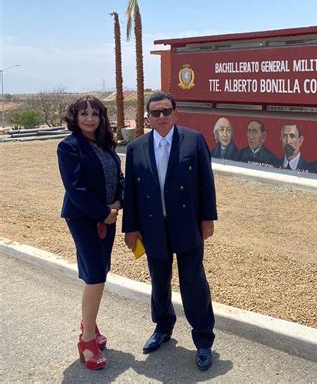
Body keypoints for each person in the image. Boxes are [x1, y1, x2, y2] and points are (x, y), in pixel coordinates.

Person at [122, 91, 217, 371]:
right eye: (155, 112)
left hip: (187, 224)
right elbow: (132, 192)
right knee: (159, 281)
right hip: (153, 226)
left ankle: (203, 341)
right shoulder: (136, 147)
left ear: (176, 113)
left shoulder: (194, 139)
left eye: (166, 111)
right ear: (148, 117)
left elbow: (205, 182)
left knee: (193, 283)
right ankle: (163, 328)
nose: (161, 117)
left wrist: (207, 218)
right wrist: (131, 227)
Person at [57, 95, 123, 371]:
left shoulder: (106, 144)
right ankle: (87, 341)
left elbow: (119, 178)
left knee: (100, 271)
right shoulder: (69, 147)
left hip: (109, 215)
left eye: (94, 114)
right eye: (83, 114)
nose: (89, 119)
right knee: (95, 274)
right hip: (84, 219)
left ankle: (90, 322)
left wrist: (118, 203)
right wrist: (103, 213)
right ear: (75, 117)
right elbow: (75, 189)